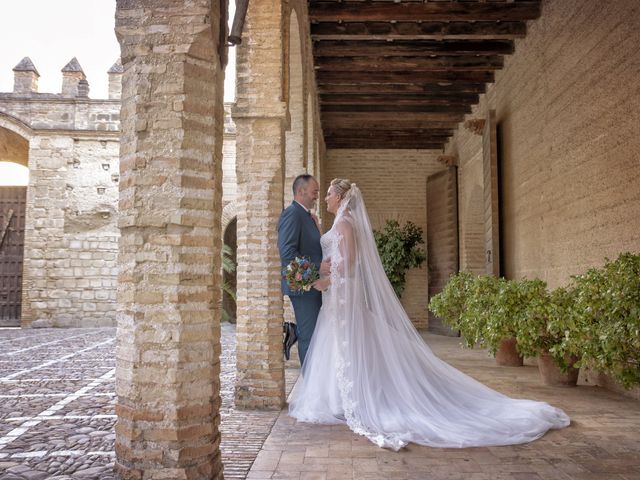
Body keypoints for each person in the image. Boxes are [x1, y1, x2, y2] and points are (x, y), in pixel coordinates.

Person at [288, 178, 570, 451]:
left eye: (327, 194)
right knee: (342, 342)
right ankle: (340, 398)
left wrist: (325, 281)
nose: (323, 198)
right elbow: (336, 255)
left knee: (348, 341)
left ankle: (351, 399)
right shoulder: (340, 222)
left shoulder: (346, 223)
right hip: (337, 294)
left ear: (339, 197)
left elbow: (348, 263)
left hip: (342, 292)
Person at [277, 174, 327, 366]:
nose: (317, 196)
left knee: (315, 335)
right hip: (303, 287)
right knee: (309, 338)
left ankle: (293, 331)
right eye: (314, 192)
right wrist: (317, 266)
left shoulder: (307, 216)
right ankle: (310, 389)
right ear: (301, 191)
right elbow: (287, 253)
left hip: (314, 285)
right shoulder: (292, 214)